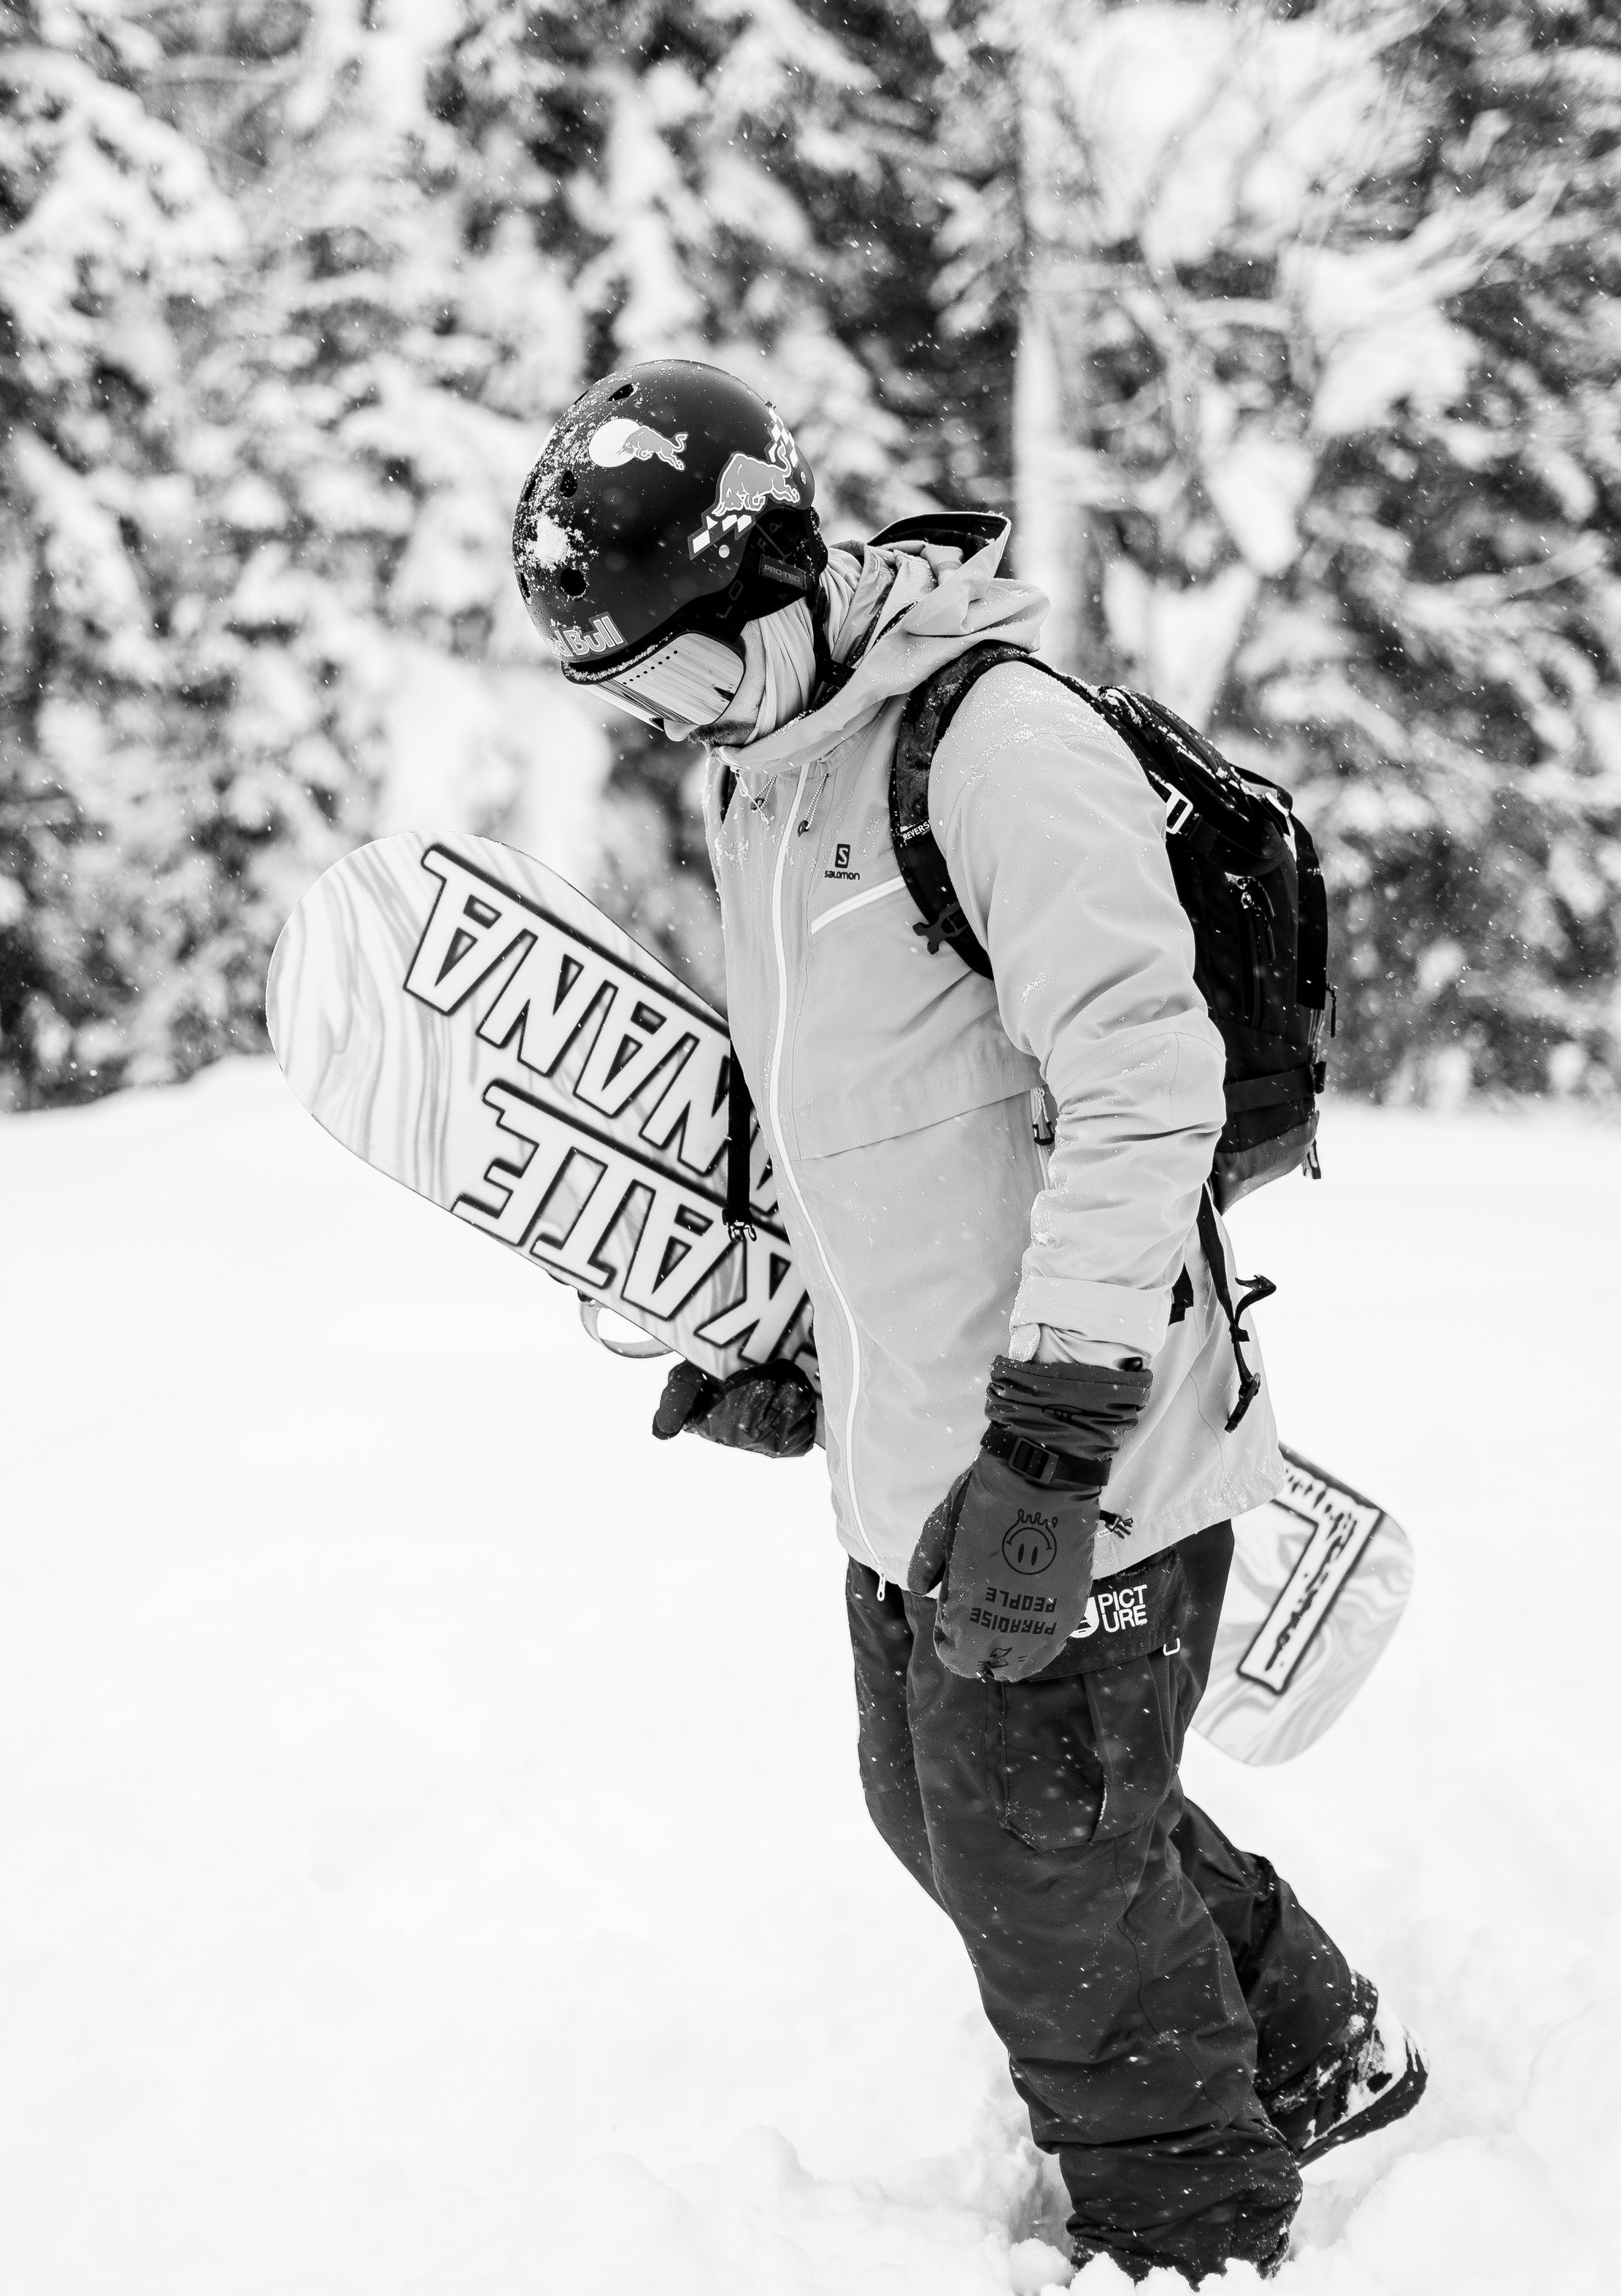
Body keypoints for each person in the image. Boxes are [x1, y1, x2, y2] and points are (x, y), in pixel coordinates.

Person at [512, 358, 1426, 2285]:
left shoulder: (995, 747)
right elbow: (859, 1130)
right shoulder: (772, 786)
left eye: (677, 668)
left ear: (774, 571)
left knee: (1040, 1861)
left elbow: (1142, 1095)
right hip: (915, 1449)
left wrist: (1050, 1451)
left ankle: (1188, 2234)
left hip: (1079, 1447)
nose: (668, 719)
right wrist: (793, 1345)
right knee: (950, 1813)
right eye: (634, 697)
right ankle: (1313, 2044)